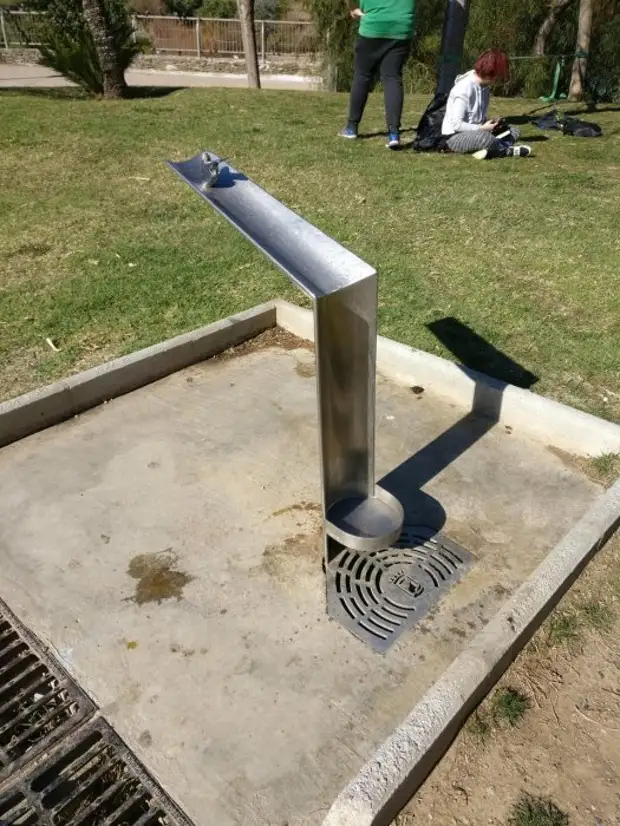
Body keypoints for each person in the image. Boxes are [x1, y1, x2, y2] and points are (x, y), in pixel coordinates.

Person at [339, 0, 416, 149]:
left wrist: (354, 8)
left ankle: (351, 127)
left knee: (362, 75)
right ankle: (394, 133)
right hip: (401, 26)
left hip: (373, 25)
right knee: (392, 77)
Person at [441, 49, 532, 159]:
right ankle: (505, 150)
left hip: (477, 131)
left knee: (514, 130)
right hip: (454, 138)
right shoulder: (463, 89)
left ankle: (496, 148)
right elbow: (456, 125)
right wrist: (482, 128)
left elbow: (476, 118)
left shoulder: (484, 88)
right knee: (484, 138)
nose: (498, 78)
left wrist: (491, 123)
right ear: (491, 72)